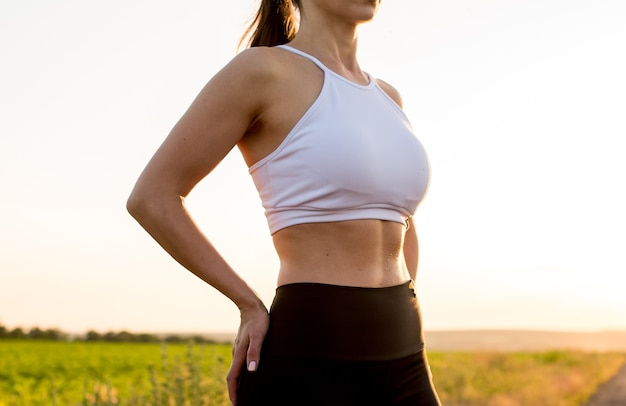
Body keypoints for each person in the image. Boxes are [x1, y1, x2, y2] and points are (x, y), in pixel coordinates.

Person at [127, 0, 441, 404]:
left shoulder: (388, 97)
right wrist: (248, 304)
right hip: (310, 354)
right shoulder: (261, 72)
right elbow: (152, 197)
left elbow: (402, 220)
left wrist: (406, 311)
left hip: (404, 349)